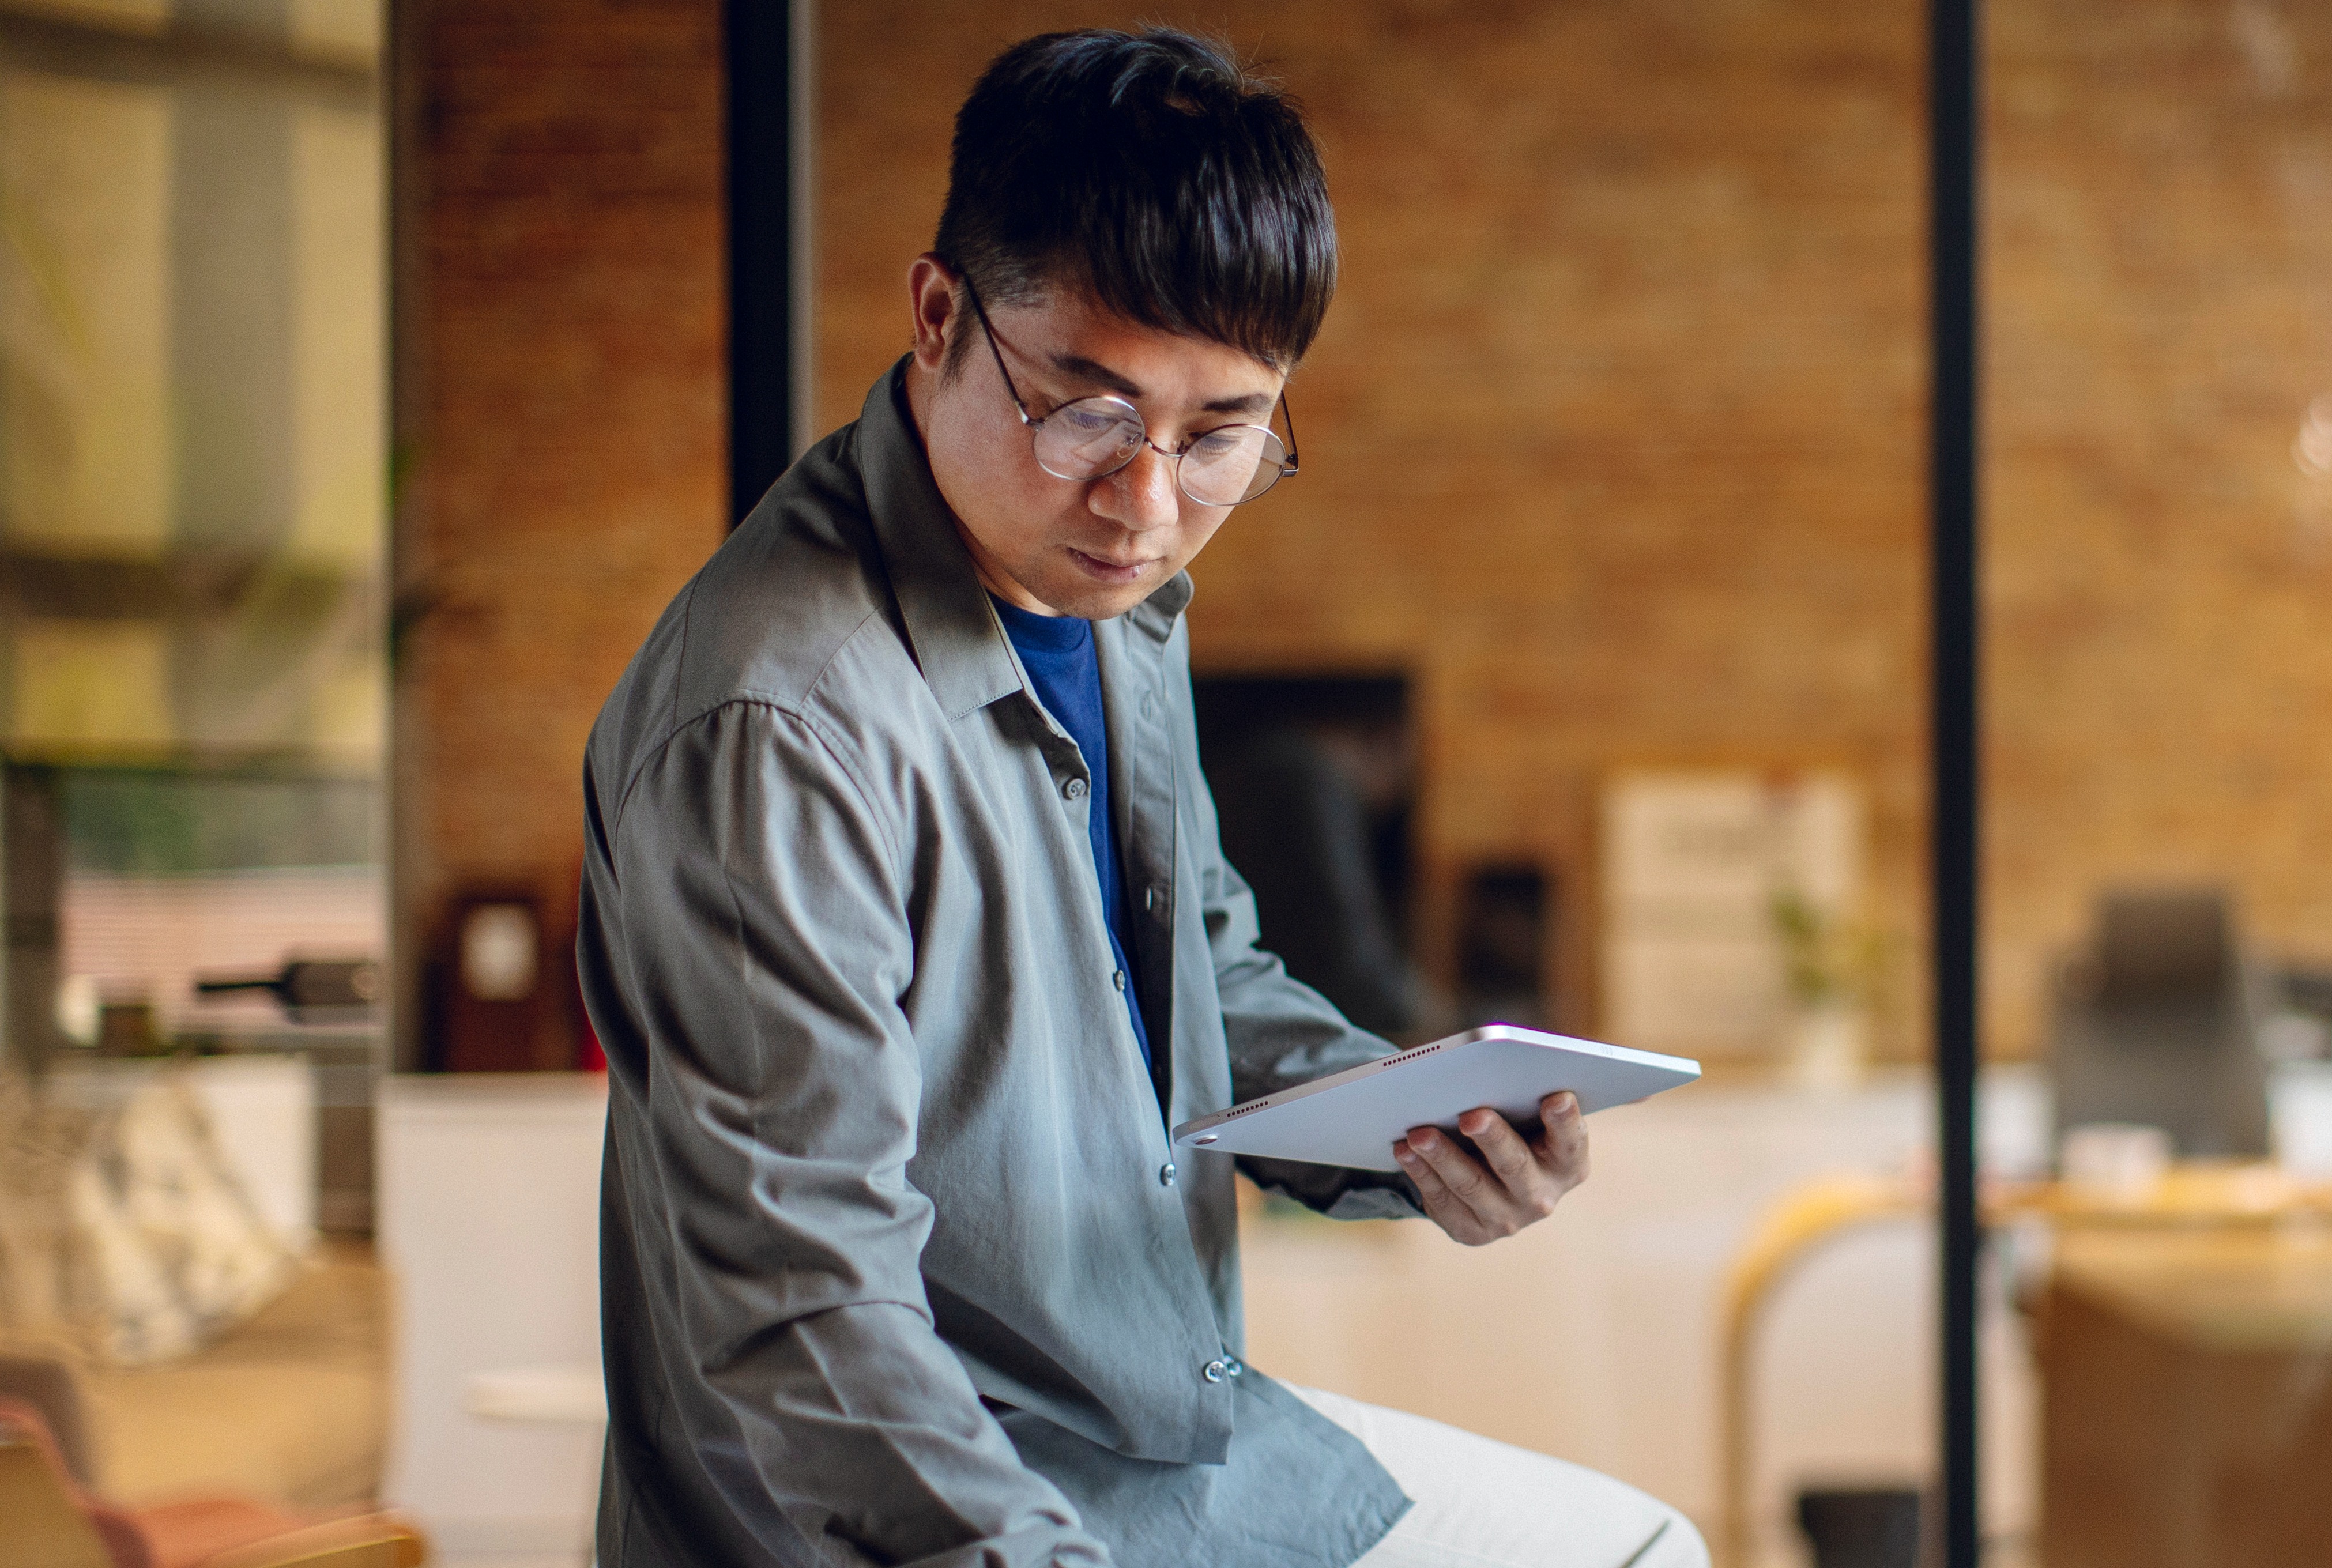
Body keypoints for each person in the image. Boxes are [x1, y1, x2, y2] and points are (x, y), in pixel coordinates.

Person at [575, 28, 1704, 1568]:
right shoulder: (782, 720)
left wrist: (1413, 1129)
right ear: (936, 317)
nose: (1149, 504)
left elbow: (1195, 975)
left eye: (1222, 431)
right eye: (1089, 412)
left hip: (1164, 1452)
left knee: (1638, 1549)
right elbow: (803, 1312)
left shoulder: (1115, 609)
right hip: (913, 1518)